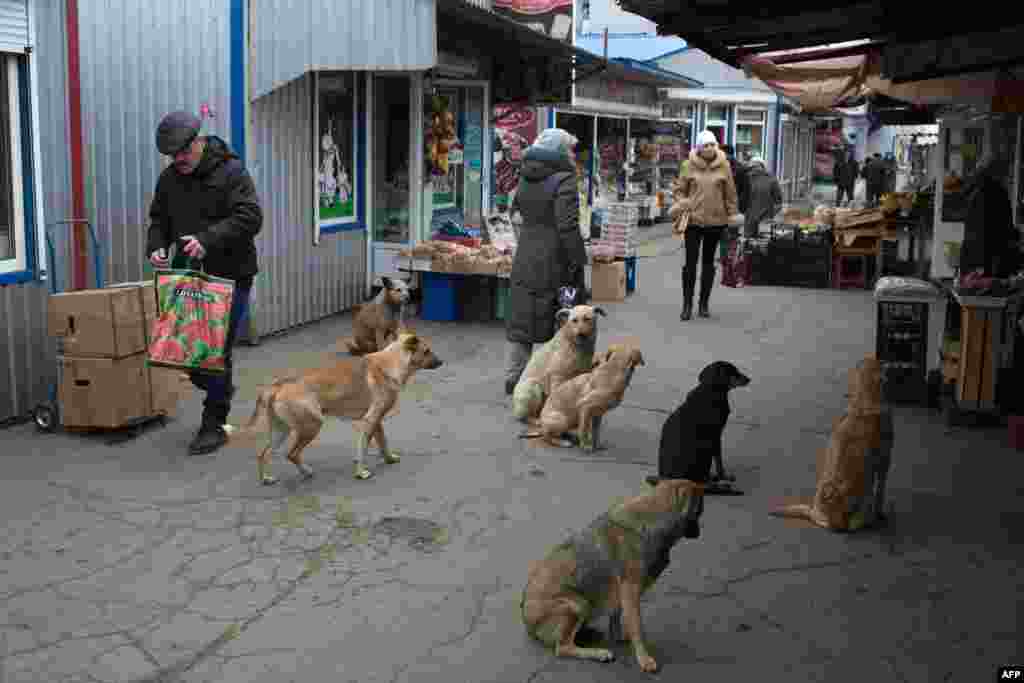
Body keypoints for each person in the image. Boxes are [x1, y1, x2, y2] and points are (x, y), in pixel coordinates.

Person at [147, 111, 263, 455]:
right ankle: (221, 387)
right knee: (186, 350)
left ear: (198, 142)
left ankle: (213, 423)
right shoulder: (169, 179)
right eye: (172, 155)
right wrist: (155, 245)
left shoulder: (231, 172)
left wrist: (208, 239)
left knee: (214, 350)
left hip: (230, 275)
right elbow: (158, 219)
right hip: (188, 276)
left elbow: (250, 217)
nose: (178, 160)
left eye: (183, 151)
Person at [504, 128, 588, 396]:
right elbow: (567, 225)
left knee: (523, 318)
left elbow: (514, 212)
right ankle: (551, 380)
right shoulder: (564, 179)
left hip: (526, 253)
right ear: (561, 151)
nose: (573, 155)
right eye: (570, 149)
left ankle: (514, 375)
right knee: (563, 318)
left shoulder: (525, 175)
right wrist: (577, 259)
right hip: (556, 259)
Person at [670, 130, 741, 321]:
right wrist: (682, 203)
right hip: (693, 221)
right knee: (690, 264)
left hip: (716, 222)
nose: (709, 148)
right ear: (699, 148)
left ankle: (703, 304)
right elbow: (678, 190)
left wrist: (733, 215)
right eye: (705, 145)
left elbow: (731, 194)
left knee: (708, 264)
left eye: (712, 144)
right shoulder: (688, 165)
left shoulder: (724, 166)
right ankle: (687, 306)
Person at [960, 156, 1022, 279]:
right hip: (989, 259)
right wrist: (1016, 236)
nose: (1009, 176)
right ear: (997, 172)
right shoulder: (996, 193)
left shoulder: (975, 189)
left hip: (972, 256)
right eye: (1007, 172)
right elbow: (1001, 226)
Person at [742, 156, 782, 239]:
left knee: (748, 243)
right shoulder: (771, 178)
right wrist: (771, 213)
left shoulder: (745, 178)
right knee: (763, 243)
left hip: (750, 218)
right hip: (765, 218)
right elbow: (778, 201)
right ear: (763, 166)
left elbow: (739, 197)